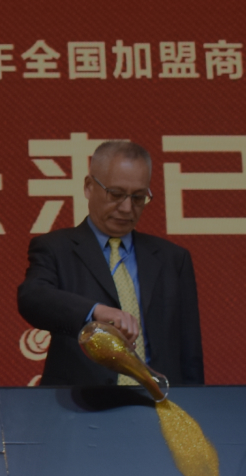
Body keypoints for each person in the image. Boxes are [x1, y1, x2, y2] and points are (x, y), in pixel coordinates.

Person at [17, 140, 204, 386]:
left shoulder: (172, 259)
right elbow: (32, 297)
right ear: (89, 186)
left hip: (157, 400)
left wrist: (193, 403)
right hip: (81, 402)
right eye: (115, 194)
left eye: (138, 197)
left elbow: (189, 355)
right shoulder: (56, 248)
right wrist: (94, 311)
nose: (127, 208)